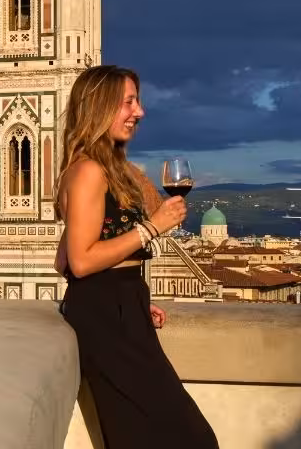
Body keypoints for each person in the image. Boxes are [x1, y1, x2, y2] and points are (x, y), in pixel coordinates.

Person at [56, 65, 218, 449]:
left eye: (137, 101)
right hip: (106, 319)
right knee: (192, 439)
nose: (139, 112)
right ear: (99, 106)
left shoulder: (102, 169)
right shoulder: (89, 172)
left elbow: (61, 261)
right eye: (128, 102)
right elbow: (78, 262)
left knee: (140, 435)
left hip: (119, 308)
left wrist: (133, 298)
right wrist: (152, 227)